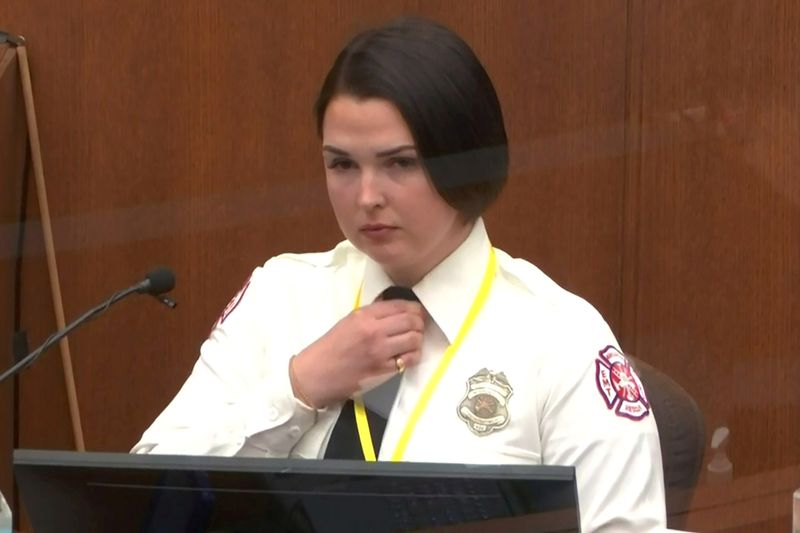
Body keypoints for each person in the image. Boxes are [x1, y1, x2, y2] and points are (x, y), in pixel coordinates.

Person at [132, 16, 666, 531]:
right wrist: (300, 386)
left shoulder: (560, 338)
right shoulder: (282, 296)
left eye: (399, 163)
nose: (366, 197)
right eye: (341, 164)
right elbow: (141, 494)